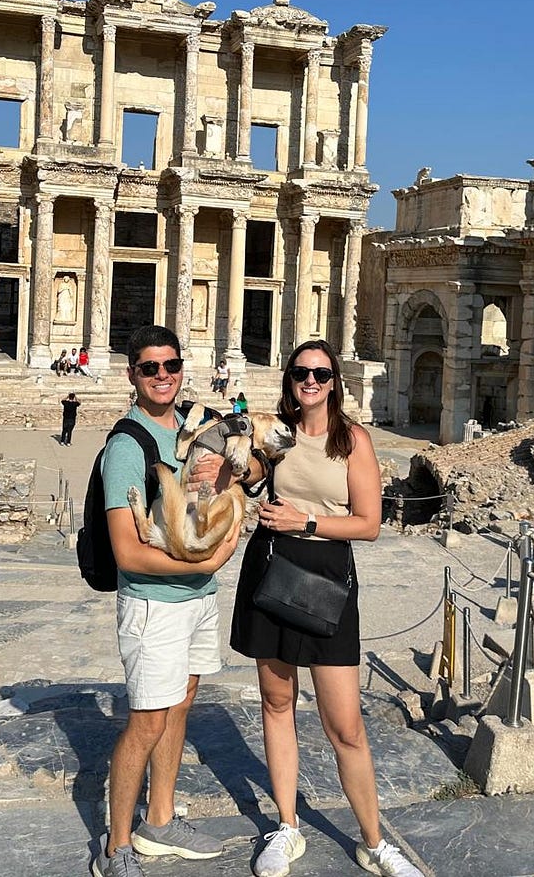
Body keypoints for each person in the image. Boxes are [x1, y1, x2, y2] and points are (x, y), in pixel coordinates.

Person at [229, 340, 422, 877]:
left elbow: (369, 523)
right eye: (300, 373)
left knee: (346, 725)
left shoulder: (353, 440)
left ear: (334, 380)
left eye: (319, 373)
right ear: (289, 379)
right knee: (276, 703)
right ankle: (287, 826)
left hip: (326, 578)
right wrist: (238, 470)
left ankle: (374, 842)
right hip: (271, 567)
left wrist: (306, 521)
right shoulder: (276, 432)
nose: (309, 381)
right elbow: (253, 477)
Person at [93, 324, 264, 877]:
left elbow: (259, 460)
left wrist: (236, 471)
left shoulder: (198, 428)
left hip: (197, 601)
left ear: (182, 369)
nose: (162, 376)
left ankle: (160, 821)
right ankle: (117, 846)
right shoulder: (127, 447)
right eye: (150, 368)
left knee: (179, 709)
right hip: (155, 605)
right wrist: (206, 564)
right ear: (132, 375)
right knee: (146, 722)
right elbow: (127, 553)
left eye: (170, 365)